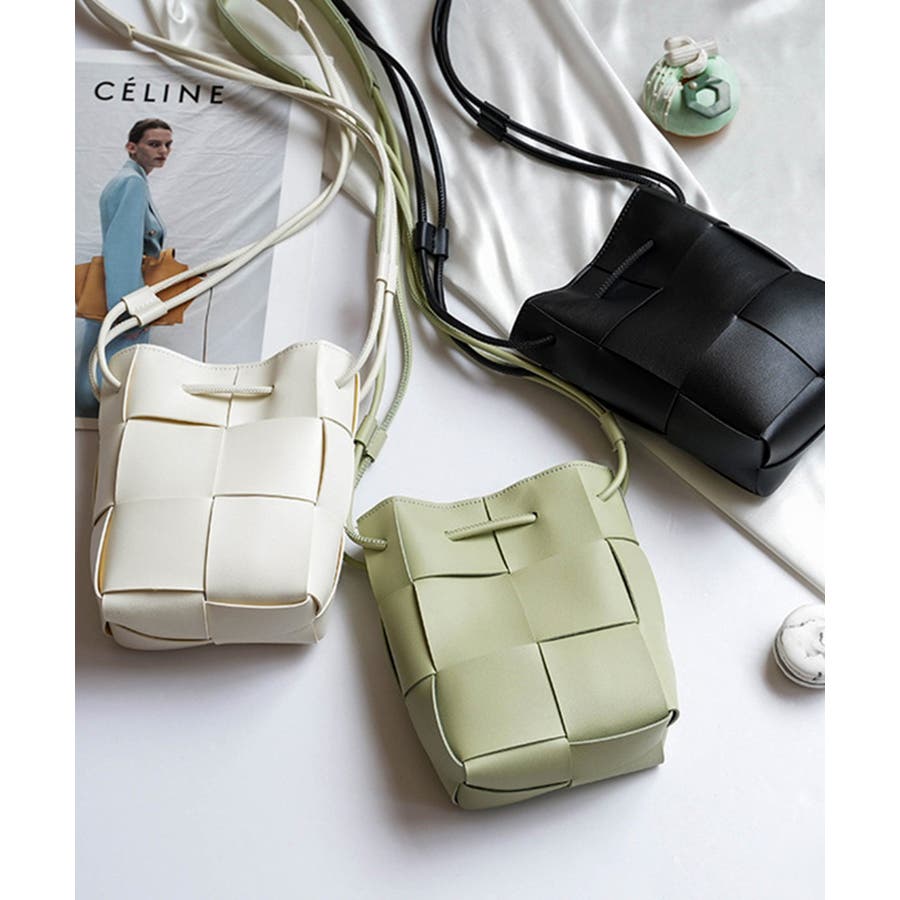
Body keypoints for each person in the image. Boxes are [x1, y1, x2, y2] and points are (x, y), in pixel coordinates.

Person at [75, 118, 173, 417]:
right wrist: (129, 311)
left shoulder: (131, 180)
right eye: (154, 144)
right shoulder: (132, 183)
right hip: (123, 298)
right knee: (110, 382)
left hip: (116, 295)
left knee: (98, 374)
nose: (163, 151)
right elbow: (122, 249)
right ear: (132, 147)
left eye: (167, 145)